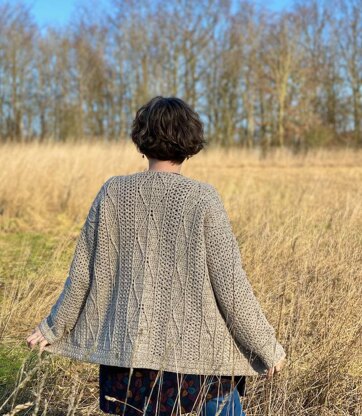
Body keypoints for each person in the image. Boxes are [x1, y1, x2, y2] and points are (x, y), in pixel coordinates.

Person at [26, 96, 286, 415]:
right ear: (190, 141)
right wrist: (266, 347)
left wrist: (53, 326)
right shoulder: (202, 198)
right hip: (198, 368)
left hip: (130, 366)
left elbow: (82, 274)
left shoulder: (112, 192)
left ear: (141, 139)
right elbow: (231, 288)